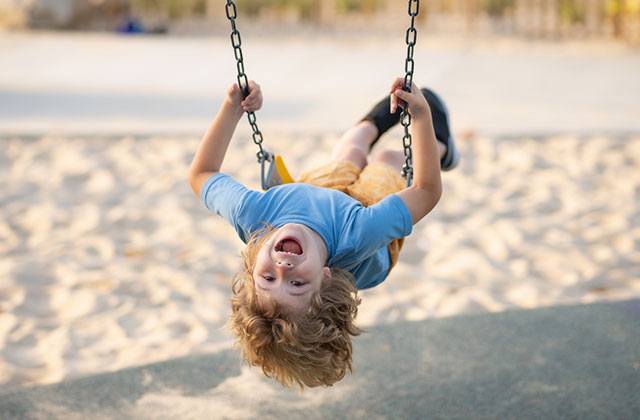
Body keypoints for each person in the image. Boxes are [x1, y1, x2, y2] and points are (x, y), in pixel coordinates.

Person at [187, 77, 459, 389]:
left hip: (319, 196)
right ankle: (444, 148)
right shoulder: (360, 234)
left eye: (268, 278)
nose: (283, 269)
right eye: (297, 283)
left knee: (352, 148)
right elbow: (425, 191)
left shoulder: (253, 215)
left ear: (251, 268)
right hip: (364, 219)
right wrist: (421, 118)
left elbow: (201, 173)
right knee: (386, 160)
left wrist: (231, 109)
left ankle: (374, 124)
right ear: (325, 277)